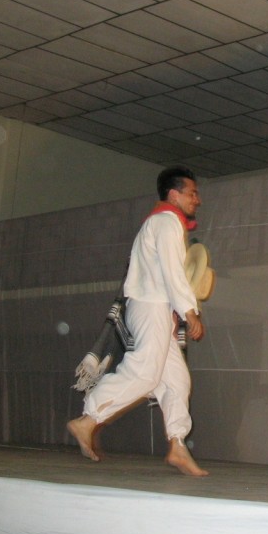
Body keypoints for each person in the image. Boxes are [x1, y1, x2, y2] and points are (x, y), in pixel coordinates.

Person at [68, 166, 208, 476]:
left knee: (177, 381)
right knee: (145, 373)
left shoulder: (162, 222)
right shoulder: (167, 221)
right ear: (174, 194)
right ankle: (87, 420)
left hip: (153, 306)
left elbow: (167, 273)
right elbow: (173, 272)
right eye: (192, 193)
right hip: (152, 305)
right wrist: (189, 312)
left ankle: (178, 445)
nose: (197, 199)